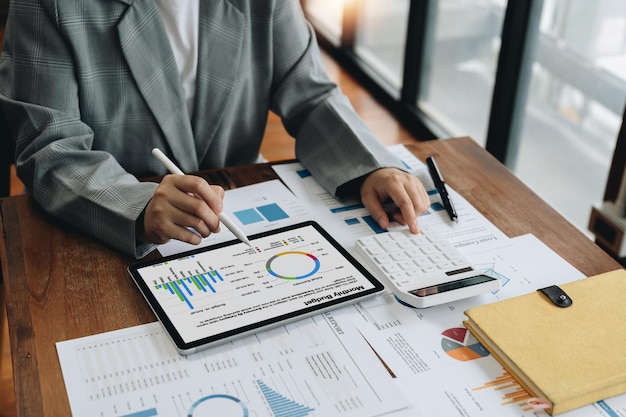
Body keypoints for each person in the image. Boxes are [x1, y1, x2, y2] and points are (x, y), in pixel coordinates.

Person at [0, 0, 430, 259]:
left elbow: (310, 94)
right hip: (108, 231)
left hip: (240, 210)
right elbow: (49, 146)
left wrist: (370, 166)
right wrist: (136, 205)